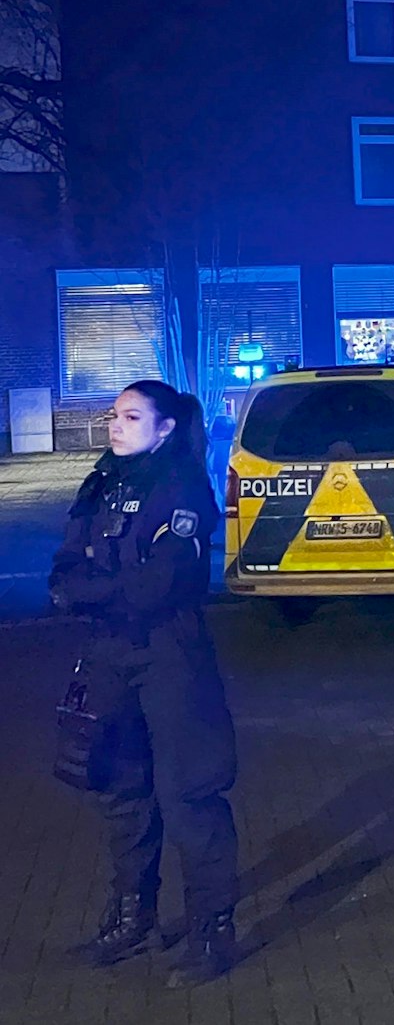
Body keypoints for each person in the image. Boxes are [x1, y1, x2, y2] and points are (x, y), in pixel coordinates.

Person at [49, 381, 238, 987]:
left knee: (190, 792)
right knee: (120, 790)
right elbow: (62, 572)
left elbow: (160, 587)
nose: (115, 424)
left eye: (132, 417)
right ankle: (133, 917)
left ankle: (212, 930)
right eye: (114, 414)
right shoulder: (101, 483)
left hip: (169, 654)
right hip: (108, 656)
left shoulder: (180, 488)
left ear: (164, 429)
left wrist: (95, 591)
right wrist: (95, 589)